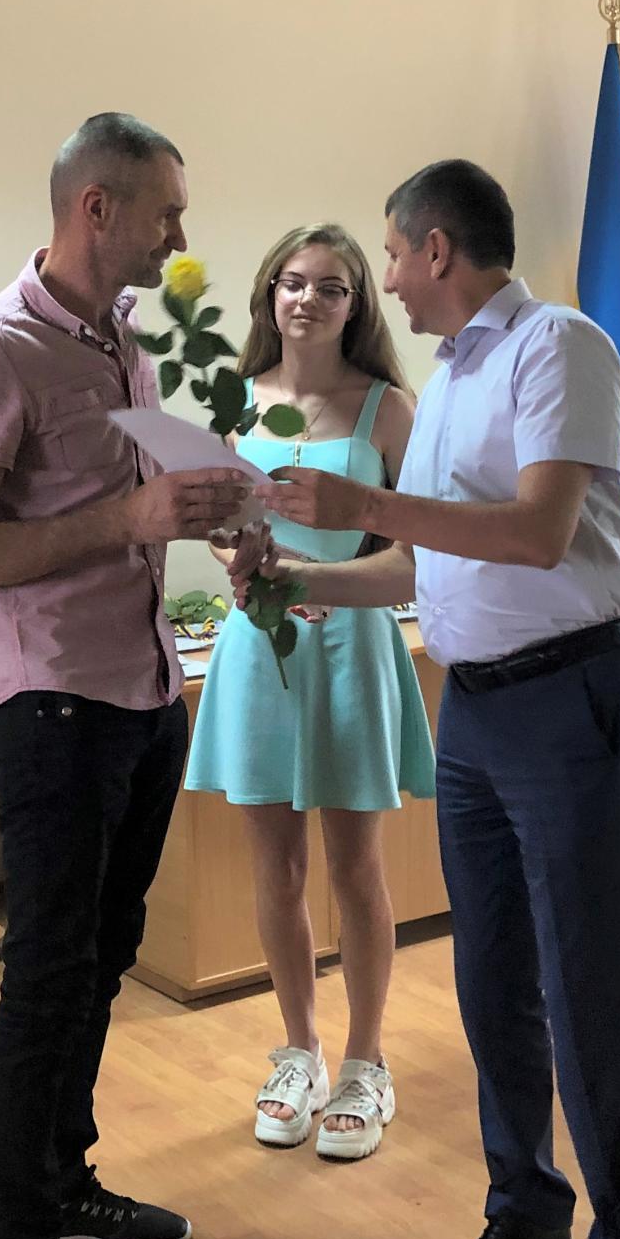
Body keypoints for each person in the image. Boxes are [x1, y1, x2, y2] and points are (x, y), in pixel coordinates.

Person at [244, 160, 620, 1239]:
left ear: (437, 249)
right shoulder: (444, 384)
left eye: (389, 253)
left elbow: (536, 531)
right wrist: (302, 576)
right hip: (474, 709)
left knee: (584, 988)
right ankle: (524, 1211)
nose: (383, 277)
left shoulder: (557, 346)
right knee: (488, 978)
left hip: (571, 695)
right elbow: (424, 568)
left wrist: (367, 501)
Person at [0, 112, 252, 1239]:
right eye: (167, 211)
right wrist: (132, 517)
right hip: (52, 703)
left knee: (102, 957)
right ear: (96, 208)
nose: (180, 233)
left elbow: (127, 506)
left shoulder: (122, 340)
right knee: (48, 977)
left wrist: (206, 503)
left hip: (141, 689)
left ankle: (62, 1184)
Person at [184, 223, 433, 1160]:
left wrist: (315, 577)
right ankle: (300, 1053)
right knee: (275, 868)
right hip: (260, 649)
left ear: (356, 305)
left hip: (353, 644)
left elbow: (419, 553)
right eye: (293, 282)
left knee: (355, 867)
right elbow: (223, 532)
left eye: (331, 287)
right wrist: (237, 555)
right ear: (268, 294)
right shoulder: (238, 399)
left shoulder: (389, 411)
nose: (307, 300)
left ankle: (368, 1063)